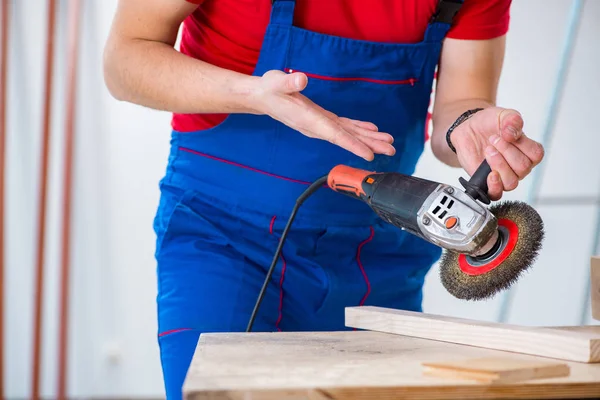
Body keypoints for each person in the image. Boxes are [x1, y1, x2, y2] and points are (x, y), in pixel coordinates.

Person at [103, 0, 544, 398]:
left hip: (372, 257)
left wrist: (471, 124)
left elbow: (461, 103)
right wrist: (254, 95)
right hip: (224, 243)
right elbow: (125, 58)